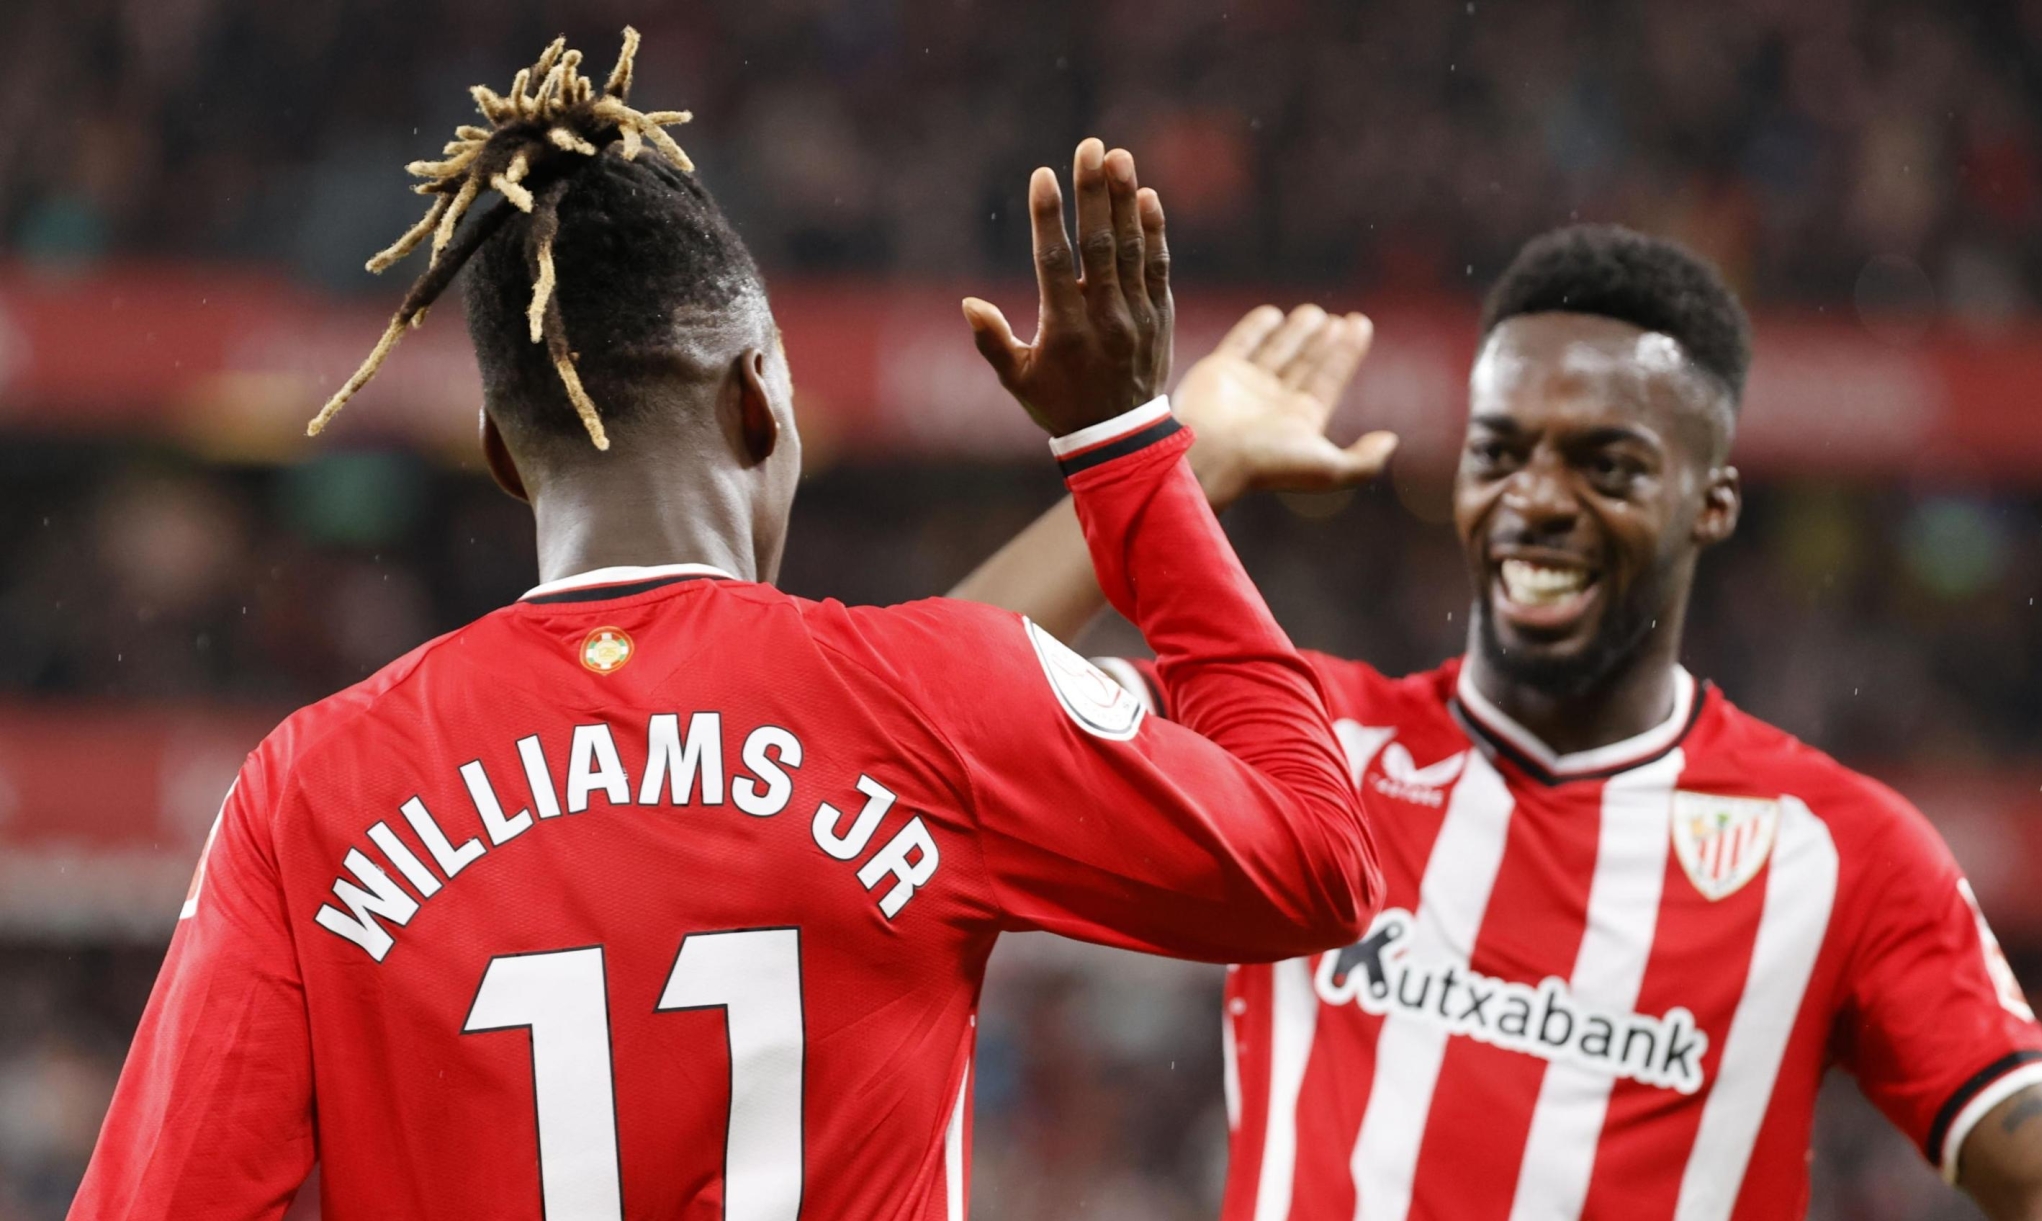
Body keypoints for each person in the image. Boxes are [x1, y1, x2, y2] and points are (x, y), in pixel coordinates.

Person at [68, 32, 1383, 1221]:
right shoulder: (928, 701)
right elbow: (1322, 858)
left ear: (506, 457)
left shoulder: (307, 795)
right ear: (761, 401)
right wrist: (1132, 451)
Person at [955, 224, 2042, 1220]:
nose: (1537, 499)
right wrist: (1177, 468)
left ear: (1715, 501)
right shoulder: (1301, 736)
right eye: (1501, 452)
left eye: (1607, 465)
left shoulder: (1838, 850)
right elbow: (917, 710)